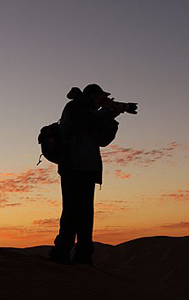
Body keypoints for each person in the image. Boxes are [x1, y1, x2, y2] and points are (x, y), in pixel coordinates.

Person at [48, 84, 124, 265]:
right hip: (73, 167)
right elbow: (87, 122)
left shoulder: (92, 113)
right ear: (92, 95)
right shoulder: (75, 107)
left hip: (88, 169)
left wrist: (113, 115)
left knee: (85, 214)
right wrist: (107, 111)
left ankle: (83, 255)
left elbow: (103, 140)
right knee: (72, 211)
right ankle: (61, 253)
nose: (102, 101)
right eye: (100, 97)